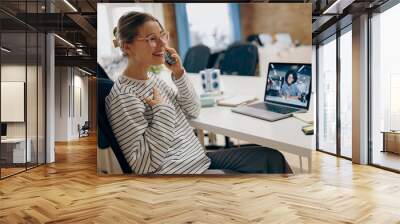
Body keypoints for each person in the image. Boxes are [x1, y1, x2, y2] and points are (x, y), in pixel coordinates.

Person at [106, 11, 291, 174]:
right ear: (126, 47)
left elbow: (192, 110)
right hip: (181, 173)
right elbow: (143, 166)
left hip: (197, 159)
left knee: (272, 158)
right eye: (152, 39)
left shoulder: (152, 79)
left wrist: (178, 73)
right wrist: (163, 112)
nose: (163, 44)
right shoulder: (123, 96)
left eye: (163, 36)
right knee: (270, 166)